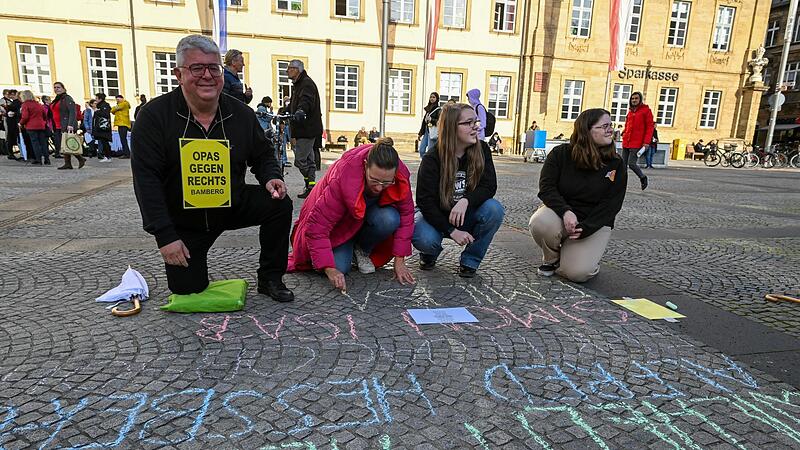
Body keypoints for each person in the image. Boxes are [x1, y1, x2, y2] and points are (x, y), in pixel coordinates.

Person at [131, 34, 294, 302]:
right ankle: (190, 266)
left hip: (232, 204)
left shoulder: (241, 114)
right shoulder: (153, 117)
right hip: (185, 219)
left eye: (213, 68)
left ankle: (270, 278)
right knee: (186, 288)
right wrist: (165, 236)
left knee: (279, 204)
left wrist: (271, 177)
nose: (207, 75)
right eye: (197, 68)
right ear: (179, 74)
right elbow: (146, 181)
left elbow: (263, 154)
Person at [288, 139, 415, 291]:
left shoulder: (400, 176)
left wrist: (400, 260)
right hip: (339, 227)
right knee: (339, 267)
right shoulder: (343, 176)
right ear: (365, 165)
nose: (380, 188)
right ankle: (348, 246)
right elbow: (316, 227)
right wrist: (329, 269)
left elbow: (407, 216)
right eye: (374, 180)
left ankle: (361, 249)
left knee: (390, 218)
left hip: (366, 219)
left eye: (387, 182)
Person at [529, 108, 627, 282]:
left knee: (577, 273)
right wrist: (565, 211)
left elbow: (612, 204)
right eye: (604, 126)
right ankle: (552, 258)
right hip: (560, 214)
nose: (610, 130)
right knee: (540, 223)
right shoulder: (561, 154)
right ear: (586, 130)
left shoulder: (616, 163)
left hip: (594, 222)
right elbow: (546, 188)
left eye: (610, 125)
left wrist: (587, 227)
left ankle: (579, 256)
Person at [413, 103, 504, 278]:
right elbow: (425, 201)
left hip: (464, 214)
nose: (476, 127)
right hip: (436, 217)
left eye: (476, 122)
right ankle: (429, 253)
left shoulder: (482, 150)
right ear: (451, 127)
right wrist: (451, 231)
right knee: (424, 238)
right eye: (468, 123)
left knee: (494, 209)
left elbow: (489, 185)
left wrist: (465, 200)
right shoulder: (433, 158)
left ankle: (470, 260)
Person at [287, 59, 323, 199]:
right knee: (309, 160)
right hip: (304, 127)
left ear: (298, 70)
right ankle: (311, 186)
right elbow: (295, 104)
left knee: (300, 160)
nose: (287, 71)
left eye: (290, 68)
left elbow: (306, 101)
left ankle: (312, 185)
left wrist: (301, 111)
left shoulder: (306, 84)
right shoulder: (299, 84)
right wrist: (286, 111)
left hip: (306, 128)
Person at [621, 92, 653, 190]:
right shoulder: (630, 112)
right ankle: (621, 184)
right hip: (627, 142)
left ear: (640, 100)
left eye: (636, 98)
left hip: (637, 143)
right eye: (632, 98)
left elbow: (649, 127)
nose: (634, 100)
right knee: (622, 165)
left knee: (631, 164)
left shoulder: (646, 111)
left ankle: (642, 177)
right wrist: (624, 132)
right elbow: (627, 125)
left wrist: (646, 142)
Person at [52, 82, 86, 169]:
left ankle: (79, 159)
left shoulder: (67, 98)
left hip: (66, 124)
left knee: (68, 142)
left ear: (63, 88)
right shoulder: (57, 99)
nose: (56, 89)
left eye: (58, 87)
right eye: (55, 87)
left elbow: (72, 112)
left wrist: (70, 124)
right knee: (64, 144)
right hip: (57, 124)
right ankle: (68, 163)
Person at [18, 90, 49, 165]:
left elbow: (25, 116)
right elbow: (44, 115)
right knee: (43, 143)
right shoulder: (38, 104)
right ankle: (47, 159)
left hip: (31, 126)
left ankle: (38, 159)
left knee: (35, 143)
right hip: (41, 125)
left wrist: (20, 123)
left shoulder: (25, 105)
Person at [417, 92, 440, 158]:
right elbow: (424, 123)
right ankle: (424, 162)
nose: (432, 98)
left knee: (430, 151)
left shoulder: (438, 110)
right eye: (431, 97)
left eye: (433, 97)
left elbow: (439, 122)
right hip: (427, 132)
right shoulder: (428, 109)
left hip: (433, 132)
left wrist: (431, 120)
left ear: (437, 99)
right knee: (421, 150)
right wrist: (420, 133)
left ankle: (429, 164)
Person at [93, 93, 113, 162]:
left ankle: (108, 156)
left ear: (100, 99)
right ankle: (107, 156)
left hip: (103, 127)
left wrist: (97, 111)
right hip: (101, 126)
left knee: (105, 141)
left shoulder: (104, 105)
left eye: (96, 98)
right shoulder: (100, 105)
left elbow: (105, 114)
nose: (95, 100)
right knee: (103, 141)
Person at [111, 94, 131, 158]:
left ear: (122, 99)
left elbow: (113, 110)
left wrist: (115, 108)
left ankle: (127, 154)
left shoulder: (124, 104)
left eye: (118, 99)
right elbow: (113, 111)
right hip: (121, 123)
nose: (117, 100)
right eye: (116, 99)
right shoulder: (121, 104)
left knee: (123, 139)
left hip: (123, 123)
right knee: (123, 139)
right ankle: (126, 153)